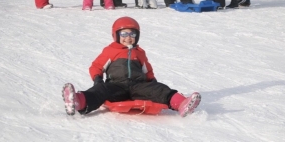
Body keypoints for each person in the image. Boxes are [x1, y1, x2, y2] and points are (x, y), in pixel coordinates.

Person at [62, 17, 201, 117]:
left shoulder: (139, 53)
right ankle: (79, 101)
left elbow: (148, 70)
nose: (128, 38)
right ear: (115, 35)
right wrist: (98, 79)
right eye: (124, 34)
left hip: (137, 86)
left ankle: (182, 103)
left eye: (132, 34)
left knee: (160, 89)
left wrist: (152, 84)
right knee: (100, 90)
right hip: (116, 86)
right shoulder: (110, 51)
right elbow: (96, 66)